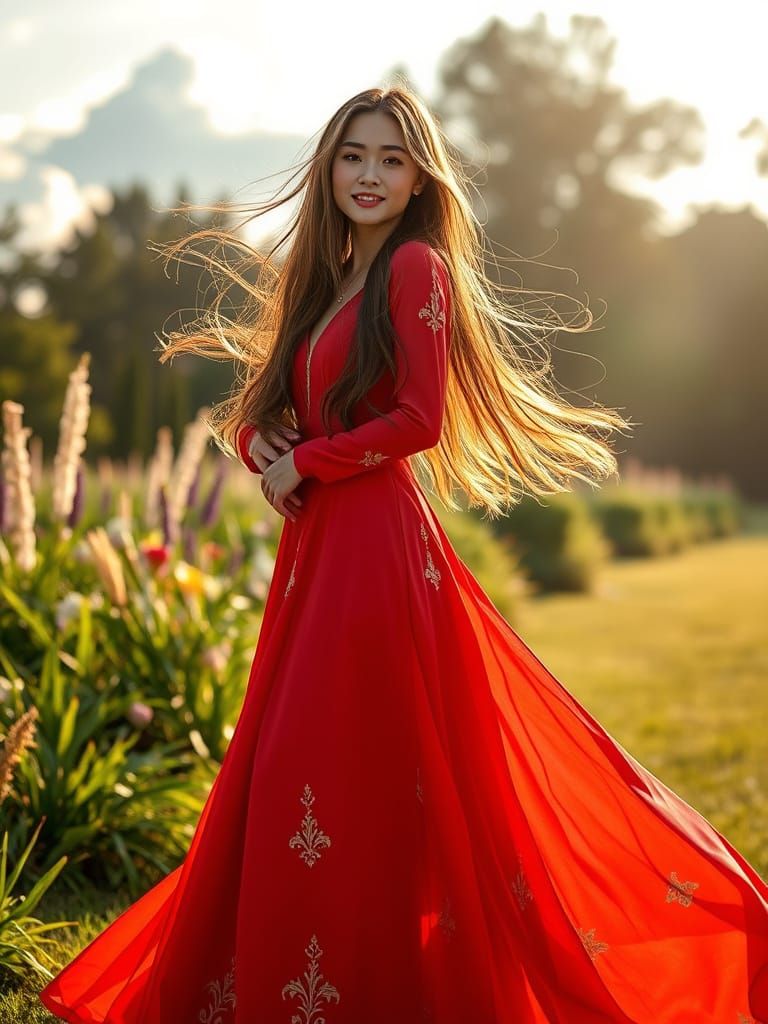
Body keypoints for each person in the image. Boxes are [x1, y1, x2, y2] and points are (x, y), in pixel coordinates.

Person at [39, 84, 768, 1024]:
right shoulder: (331, 276)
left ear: (420, 175)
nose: (370, 174)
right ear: (329, 169)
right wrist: (263, 441)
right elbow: (287, 406)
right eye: (353, 156)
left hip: (376, 550)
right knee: (298, 765)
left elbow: (418, 421)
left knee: (330, 759)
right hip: (322, 548)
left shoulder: (417, 269)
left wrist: (309, 458)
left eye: (390, 157)